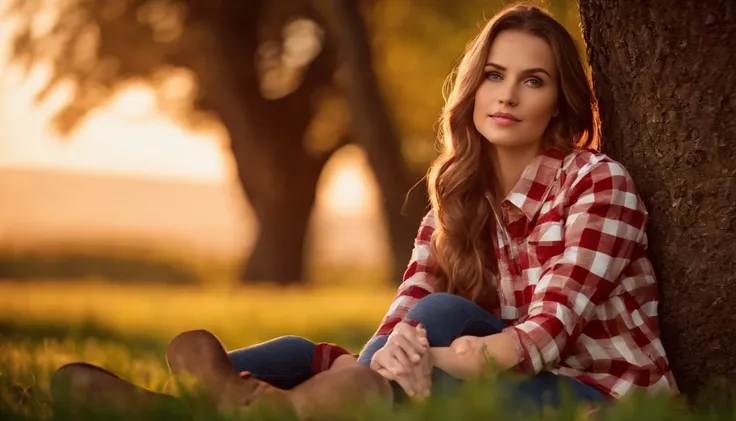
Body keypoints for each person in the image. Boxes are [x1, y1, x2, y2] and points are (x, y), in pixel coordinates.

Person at [50, 3, 678, 418]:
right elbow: (401, 312)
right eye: (493, 74)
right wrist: (387, 358)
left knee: (427, 325)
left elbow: (544, 336)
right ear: (473, 87)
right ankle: (198, 401)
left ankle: (236, 405)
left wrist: (424, 360)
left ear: (560, 99)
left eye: (532, 80)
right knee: (309, 351)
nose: (508, 95)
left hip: (599, 398)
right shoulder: (455, 199)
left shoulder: (598, 184)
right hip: (485, 371)